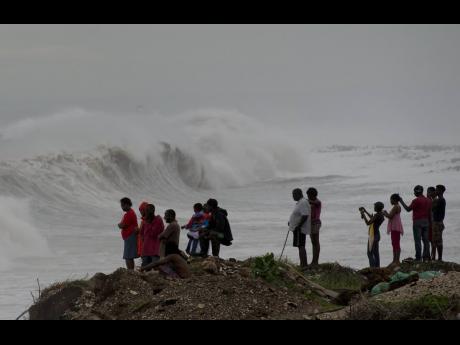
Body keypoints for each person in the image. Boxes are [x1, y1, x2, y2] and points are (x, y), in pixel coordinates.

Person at [400, 185, 432, 262]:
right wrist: (430, 223)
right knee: (426, 241)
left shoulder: (416, 201)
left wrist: (401, 201)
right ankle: (426, 257)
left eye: (414, 191)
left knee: (418, 241)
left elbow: (408, 209)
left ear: (417, 191)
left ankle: (418, 258)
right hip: (426, 221)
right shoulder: (428, 200)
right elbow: (430, 213)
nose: (414, 193)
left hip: (417, 222)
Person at [289, 189, 311, 270]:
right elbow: (298, 215)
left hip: (300, 229)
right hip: (298, 228)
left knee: (301, 246)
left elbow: (305, 215)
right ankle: (303, 264)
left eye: (294, 194)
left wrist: (298, 226)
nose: (293, 196)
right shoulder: (300, 202)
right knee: (300, 246)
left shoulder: (303, 202)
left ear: (298, 194)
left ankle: (304, 265)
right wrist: (291, 222)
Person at [360, 202, 385, 268]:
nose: (374, 207)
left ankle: (372, 268)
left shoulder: (377, 215)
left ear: (377, 208)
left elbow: (368, 223)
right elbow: (372, 218)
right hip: (377, 235)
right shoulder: (381, 214)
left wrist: (363, 214)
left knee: (370, 253)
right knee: (376, 253)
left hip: (373, 236)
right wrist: (365, 211)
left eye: (375, 206)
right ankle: (377, 267)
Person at [118, 198, 139, 270]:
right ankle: (131, 271)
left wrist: (119, 224)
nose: (122, 207)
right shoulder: (129, 213)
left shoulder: (129, 214)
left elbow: (122, 225)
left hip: (130, 236)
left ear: (127, 205)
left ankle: (130, 271)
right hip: (129, 236)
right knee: (129, 256)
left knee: (128, 256)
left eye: (123, 205)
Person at [383, 194, 404, 267]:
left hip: (395, 227)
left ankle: (396, 260)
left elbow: (390, 216)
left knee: (395, 243)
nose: (390, 201)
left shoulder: (396, 207)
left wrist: (385, 213)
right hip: (396, 227)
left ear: (394, 200)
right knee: (395, 243)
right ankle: (395, 259)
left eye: (391, 199)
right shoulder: (398, 206)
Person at [307, 187, 322, 266]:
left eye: (309, 195)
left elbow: (314, 203)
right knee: (313, 242)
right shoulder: (310, 202)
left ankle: (315, 261)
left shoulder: (317, 202)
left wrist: (304, 200)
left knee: (316, 242)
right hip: (310, 224)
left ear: (313, 195)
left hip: (315, 223)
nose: (308, 197)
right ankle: (314, 261)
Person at [432, 185, 446, 261]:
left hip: (437, 222)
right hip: (438, 222)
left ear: (441, 191)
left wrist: (433, 199)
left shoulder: (440, 200)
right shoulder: (441, 200)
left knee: (438, 241)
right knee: (437, 240)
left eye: (437, 190)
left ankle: (439, 258)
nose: (435, 191)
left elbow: (432, 208)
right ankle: (438, 257)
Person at [427, 186, 436, 259]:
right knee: (430, 240)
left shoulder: (433, 201)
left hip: (431, 223)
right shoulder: (430, 200)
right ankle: (431, 256)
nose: (427, 193)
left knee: (432, 241)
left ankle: (432, 256)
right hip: (429, 223)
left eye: (429, 192)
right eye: (427, 192)